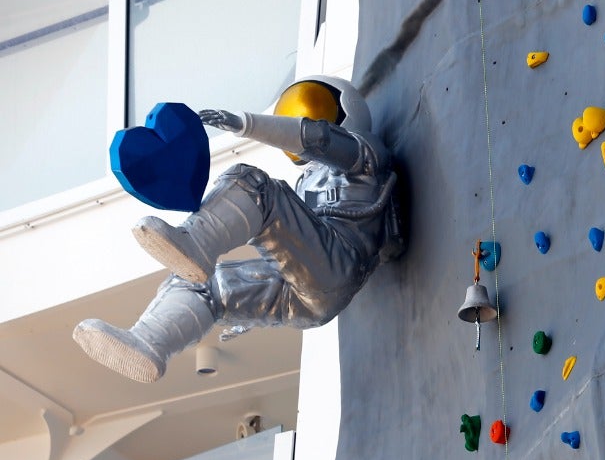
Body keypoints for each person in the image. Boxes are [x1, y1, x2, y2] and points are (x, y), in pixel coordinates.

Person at [74, 76, 403, 383]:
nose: (302, 117)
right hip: (306, 294)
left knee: (254, 185)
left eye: (315, 107)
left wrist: (245, 124)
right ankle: (149, 342)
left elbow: (318, 139)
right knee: (202, 281)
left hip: (341, 262)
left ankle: (196, 242)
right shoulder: (306, 184)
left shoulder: (366, 155)